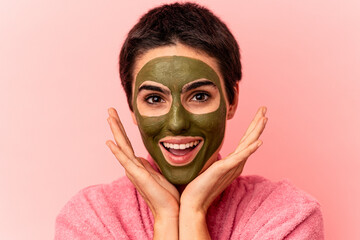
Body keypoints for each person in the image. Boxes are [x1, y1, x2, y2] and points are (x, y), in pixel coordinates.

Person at [55, 2, 324, 239]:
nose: (176, 123)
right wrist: (166, 217)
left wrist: (193, 213)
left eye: (198, 96)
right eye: (154, 99)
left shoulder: (288, 215)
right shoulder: (89, 219)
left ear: (232, 100)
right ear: (132, 109)